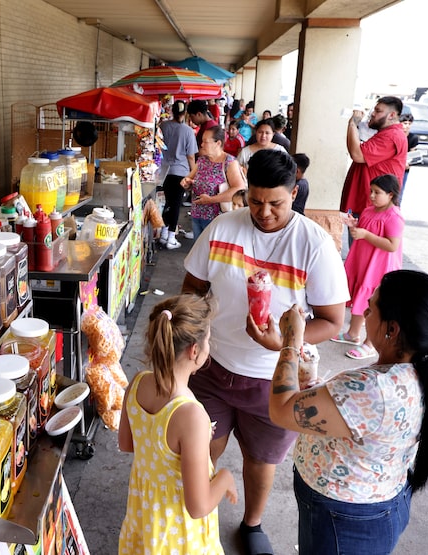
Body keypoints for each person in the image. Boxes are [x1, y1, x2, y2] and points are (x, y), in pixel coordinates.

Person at [181, 149, 349, 555]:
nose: (264, 212)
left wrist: (286, 344)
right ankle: (193, 520)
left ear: (295, 192)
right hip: (213, 367)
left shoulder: (313, 243)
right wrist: (192, 336)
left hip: (275, 380)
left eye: (276, 203)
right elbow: (192, 289)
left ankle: (252, 524)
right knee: (203, 448)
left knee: (261, 459)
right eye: (255, 201)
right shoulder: (223, 228)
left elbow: (332, 320)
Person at [270, 269, 428, 554]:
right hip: (374, 504)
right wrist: (314, 385)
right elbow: (359, 419)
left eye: (370, 310)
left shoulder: (374, 389)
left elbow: (282, 411)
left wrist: (291, 341)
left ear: (392, 329)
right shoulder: (421, 368)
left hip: (343, 520)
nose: (362, 314)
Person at [118, 295, 238, 554]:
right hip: (178, 538)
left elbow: (128, 444)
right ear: (194, 350)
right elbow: (198, 506)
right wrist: (226, 477)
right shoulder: (191, 415)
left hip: (144, 520)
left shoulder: (138, 383)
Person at [333, 174, 404, 359]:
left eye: (377, 192)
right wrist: (354, 226)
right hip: (362, 262)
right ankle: (353, 334)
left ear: (390, 195)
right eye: (371, 191)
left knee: (376, 305)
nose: (372, 196)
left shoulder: (394, 217)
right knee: (360, 299)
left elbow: (392, 245)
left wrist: (365, 234)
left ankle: (370, 343)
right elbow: (362, 231)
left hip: (379, 267)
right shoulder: (368, 211)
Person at [340, 96, 407, 221]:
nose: (372, 114)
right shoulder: (387, 134)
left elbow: (357, 155)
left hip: (374, 208)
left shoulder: (391, 136)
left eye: (378, 111)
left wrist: (353, 123)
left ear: (391, 115)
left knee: (364, 240)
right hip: (369, 205)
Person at [181, 126, 246, 240]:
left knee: (214, 253)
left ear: (218, 143)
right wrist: (187, 183)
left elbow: (239, 189)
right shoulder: (202, 160)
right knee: (200, 250)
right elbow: (189, 178)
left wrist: (211, 200)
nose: (201, 145)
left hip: (217, 218)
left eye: (205, 142)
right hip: (197, 214)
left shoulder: (229, 162)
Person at [159, 100, 197, 249]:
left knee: (167, 203)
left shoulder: (163, 126)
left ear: (172, 111)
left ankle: (163, 233)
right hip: (180, 172)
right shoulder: (187, 131)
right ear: (185, 113)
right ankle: (171, 238)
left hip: (163, 171)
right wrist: (193, 175)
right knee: (175, 205)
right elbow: (191, 156)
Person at [399, 112, 419, 204]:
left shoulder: (413, 138)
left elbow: (412, 154)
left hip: (404, 168)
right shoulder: (396, 135)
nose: (407, 126)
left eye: (409, 123)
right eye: (404, 123)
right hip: (394, 167)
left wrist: (408, 163)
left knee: (399, 193)